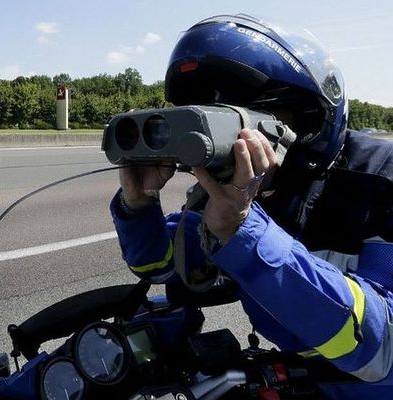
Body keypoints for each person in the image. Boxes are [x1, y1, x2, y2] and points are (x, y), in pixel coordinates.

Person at [110, 14, 393, 399]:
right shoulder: (231, 198)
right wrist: (139, 205)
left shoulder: (381, 179)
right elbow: (162, 267)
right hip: (301, 379)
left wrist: (245, 233)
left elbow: (381, 348)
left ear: (309, 119)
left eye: (237, 119)